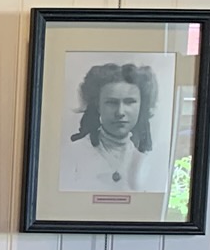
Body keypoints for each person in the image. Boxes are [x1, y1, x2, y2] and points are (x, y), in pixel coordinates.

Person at [62, 62, 161, 192]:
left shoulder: (145, 160)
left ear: (141, 106)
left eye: (129, 102)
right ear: (98, 106)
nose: (120, 112)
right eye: (111, 103)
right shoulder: (72, 154)